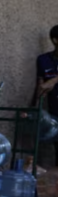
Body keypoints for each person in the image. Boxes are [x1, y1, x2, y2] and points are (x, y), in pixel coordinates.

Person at [35, 25, 58, 165]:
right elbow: (41, 82)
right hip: (54, 112)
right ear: (56, 40)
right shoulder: (43, 59)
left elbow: (51, 82)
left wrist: (54, 80)